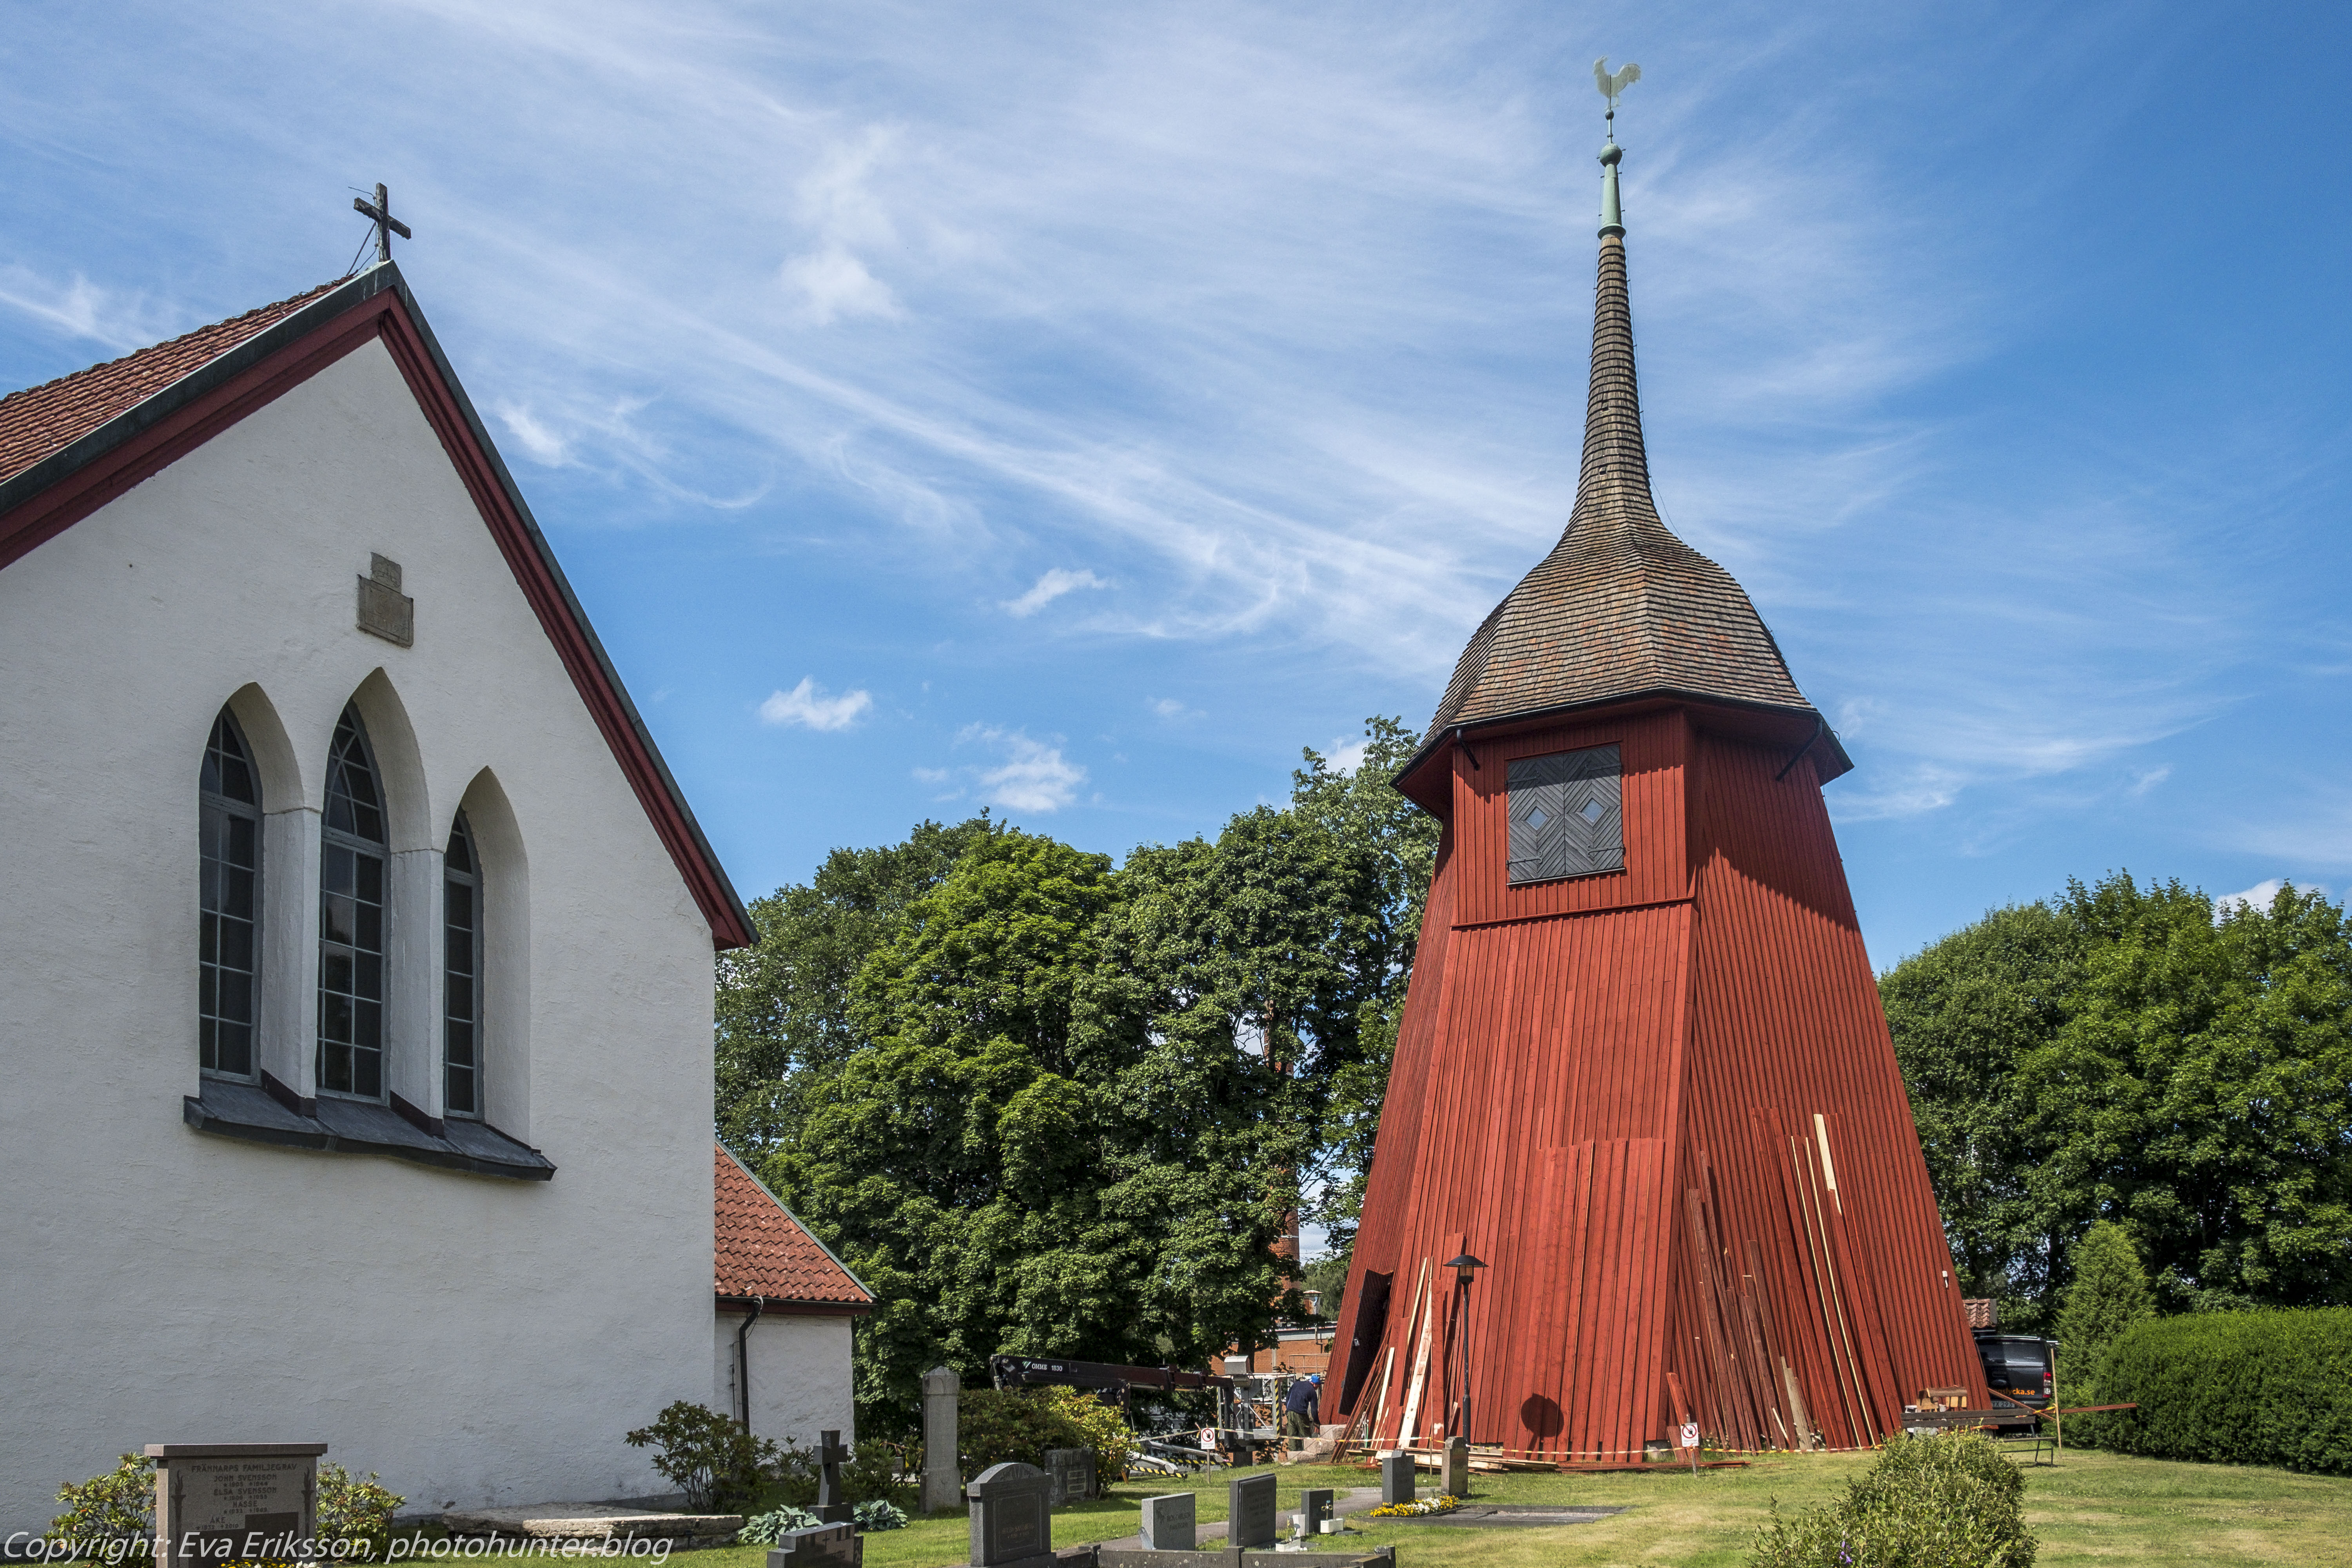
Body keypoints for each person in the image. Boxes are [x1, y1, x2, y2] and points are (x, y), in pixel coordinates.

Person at [1283, 1372, 1323, 1437]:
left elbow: (1288, 1397)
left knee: (1292, 1436)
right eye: (1317, 1387)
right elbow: (1314, 1410)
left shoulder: (1297, 1384)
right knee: (1306, 1436)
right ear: (1315, 1384)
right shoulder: (1312, 1391)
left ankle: (1294, 1447)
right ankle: (1306, 1447)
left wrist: (1288, 1409)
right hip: (1301, 1414)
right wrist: (1317, 1422)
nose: (1317, 1389)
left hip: (1290, 1413)